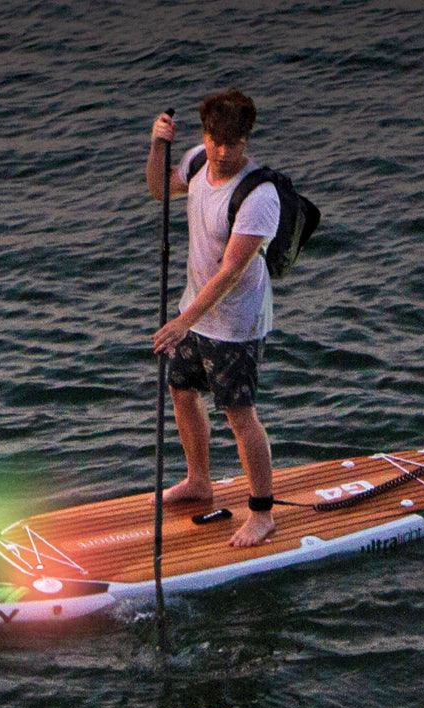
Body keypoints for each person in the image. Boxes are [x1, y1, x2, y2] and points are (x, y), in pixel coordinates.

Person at [145, 88, 281, 548]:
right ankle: (199, 480)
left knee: (239, 415)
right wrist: (157, 145)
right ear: (205, 134)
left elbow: (230, 271)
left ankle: (262, 513)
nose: (222, 151)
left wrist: (183, 320)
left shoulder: (259, 195)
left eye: (233, 143)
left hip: (237, 323)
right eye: (215, 140)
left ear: (247, 139)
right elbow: (159, 188)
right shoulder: (199, 160)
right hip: (195, 312)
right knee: (182, 391)